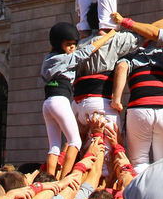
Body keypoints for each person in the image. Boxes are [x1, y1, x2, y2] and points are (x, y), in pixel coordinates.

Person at [40, 23, 117, 177]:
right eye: (68, 44)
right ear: (58, 45)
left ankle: (49, 179)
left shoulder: (48, 60)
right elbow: (89, 50)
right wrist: (109, 35)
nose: (72, 48)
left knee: (54, 146)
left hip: (47, 104)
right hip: (59, 102)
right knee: (75, 142)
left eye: (74, 44)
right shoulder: (66, 58)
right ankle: (65, 179)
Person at [111, 45, 163, 173]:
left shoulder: (131, 55)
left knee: (138, 162)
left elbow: (121, 67)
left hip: (139, 107)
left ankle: (140, 192)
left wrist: (117, 100)